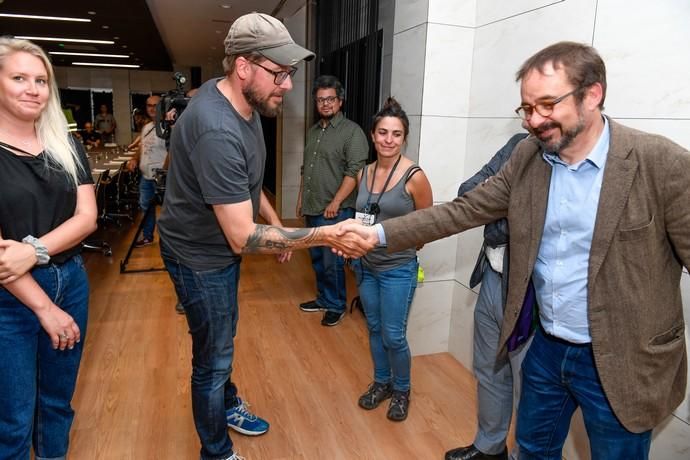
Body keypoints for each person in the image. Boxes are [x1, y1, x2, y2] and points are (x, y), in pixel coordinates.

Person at [339, 41, 690, 459]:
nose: (534, 121)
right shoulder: (529, 156)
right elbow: (463, 209)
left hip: (620, 361)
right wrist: (376, 234)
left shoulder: (660, 163)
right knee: (531, 450)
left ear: (592, 94)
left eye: (547, 104)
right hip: (547, 347)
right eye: (527, 108)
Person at [157, 13, 359, 460]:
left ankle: (226, 405)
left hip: (217, 249)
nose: (287, 85)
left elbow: (250, 186)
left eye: (290, 74)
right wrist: (322, 236)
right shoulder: (216, 128)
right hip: (199, 258)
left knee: (221, 339)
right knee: (212, 361)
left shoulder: (239, 101)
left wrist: (280, 226)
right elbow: (243, 238)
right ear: (243, 66)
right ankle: (216, 450)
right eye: (279, 73)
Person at [0, 36, 97, 459]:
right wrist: (44, 308)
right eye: (19, 77)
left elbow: (86, 216)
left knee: (57, 402)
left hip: (71, 281)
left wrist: (33, 250)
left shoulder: (65, 140)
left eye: (41, 80)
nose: (32, 88)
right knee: (14, 418)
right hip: (11, 298)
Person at [445, 133, 529, 460]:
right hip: (492, 278)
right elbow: (468, 189)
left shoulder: (561, 161)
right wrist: (508, 199)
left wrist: (496, 196)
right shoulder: (518, 143)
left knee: (528, 385)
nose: (531, 117)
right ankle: (490, 447)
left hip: (525, 290)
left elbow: (531, 223)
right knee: (489, 370)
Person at [354, 97, 432, 422]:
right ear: (373, 136)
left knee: (393, 335)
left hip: (398, 269)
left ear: (404, 138)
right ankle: (381, 383)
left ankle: (402, 390)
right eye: (383, 132)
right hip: (367, 267)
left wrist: (397, 245)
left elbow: (428, 225)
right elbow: (360, 218)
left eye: (396, 134)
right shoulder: (364, 172)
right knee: (373, 329)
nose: (388, 140)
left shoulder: (413, 176)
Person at [297, 75, 368, 326]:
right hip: (313, 205)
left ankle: (336, 304)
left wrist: (336, 201)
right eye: (320, 100)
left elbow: (354, 171)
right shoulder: (313, 131)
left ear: (340, 101)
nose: (325, 104)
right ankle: (324, 298)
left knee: (332, 261)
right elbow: (307, 168)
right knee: (317, 258)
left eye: (330, 99)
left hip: (336, 210)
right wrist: (301, 199)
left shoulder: (352, 132)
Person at [127, 95, 168, 247]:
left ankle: (168, 240)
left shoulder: (167, 127)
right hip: (146, 176)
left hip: (162, 177)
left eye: (155, 105)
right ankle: (148, 236)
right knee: (146, 207)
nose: (151, 108)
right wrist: (134, 159)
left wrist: (164, 172)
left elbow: (173, 152)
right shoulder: (147, 127)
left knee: (166, 211)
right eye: (149, 105)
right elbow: (142, 147)